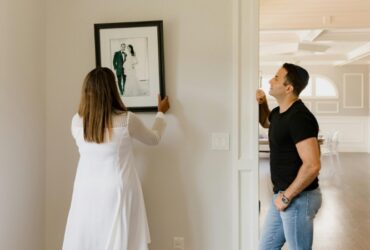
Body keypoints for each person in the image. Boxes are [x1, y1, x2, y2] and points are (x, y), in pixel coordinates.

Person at [62, 67, 170, 250]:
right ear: (112, 89)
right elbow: (154, 139)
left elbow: (98, 144)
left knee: (90, 238)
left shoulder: (76, 122)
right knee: (120, 240)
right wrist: (160, 113)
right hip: (117, 190)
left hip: (85, 190)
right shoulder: (126, 120)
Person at [256, 63, 322, 250]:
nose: (270, 80)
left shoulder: (300, 117)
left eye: (276, 78)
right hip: (284, 195)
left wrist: (286, 197)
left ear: (288, 88)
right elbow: (266, 122)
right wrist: (263, 104)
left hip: (298, 197)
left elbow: (312, 165)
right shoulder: (279, 113)